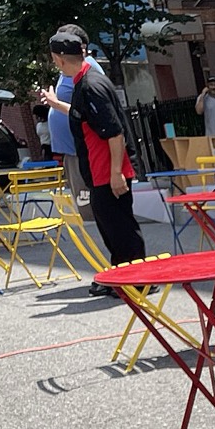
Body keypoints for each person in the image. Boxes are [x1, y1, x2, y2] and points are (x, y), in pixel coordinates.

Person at [49, 29, 146, 293]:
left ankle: (137, 280)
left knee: (121, 228)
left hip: (107, 171)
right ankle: (121, 276)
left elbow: (114, 132)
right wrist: (57, 105)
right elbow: (87, 119)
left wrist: (116, 173)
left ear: (59, 58)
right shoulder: (84, 82)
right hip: (98, 170)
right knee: (110, 228)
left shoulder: (91, 85)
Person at [38, 23, 100, 221]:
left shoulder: (89, 71)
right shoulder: (70, 71)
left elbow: (88, 112)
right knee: (84, 205)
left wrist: (55, 105)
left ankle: (99, 247)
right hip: (73, 150)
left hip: (81, 149)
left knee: (89, 208)